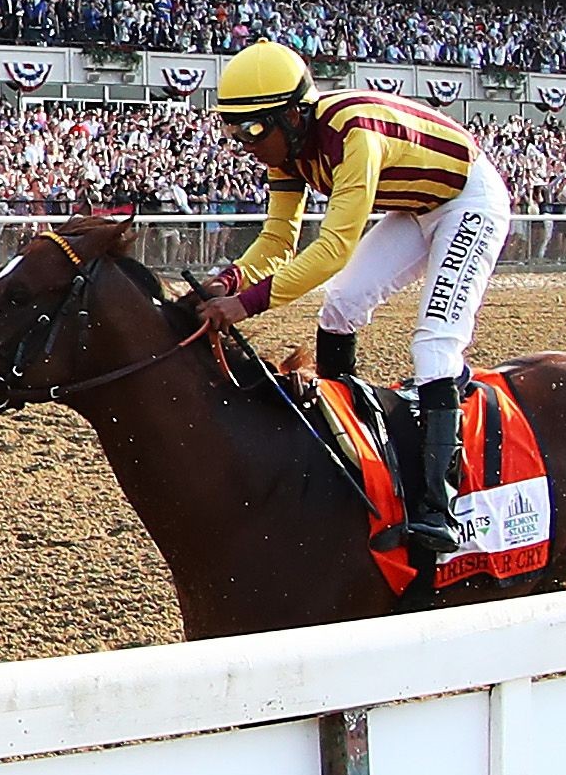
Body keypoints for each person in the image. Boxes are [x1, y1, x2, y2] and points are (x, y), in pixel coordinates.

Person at [193, 38, 511, 561]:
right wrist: (229, 281)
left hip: (467, 199)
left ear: (292, 115)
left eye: (253, 131)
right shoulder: (288, 150)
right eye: (235, 133)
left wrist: (246, 304)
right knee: (340, 305)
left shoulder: (351, 133)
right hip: (416, 206)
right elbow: (278, 241)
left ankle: (439, 507)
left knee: (434, 342)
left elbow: (334, 248)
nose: (247, 145)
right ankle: (344, 439)